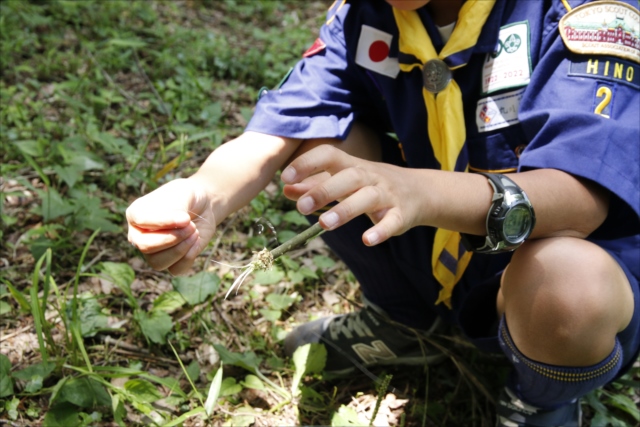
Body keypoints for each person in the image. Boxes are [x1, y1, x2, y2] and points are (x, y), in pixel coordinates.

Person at [126, 0, 640, 425]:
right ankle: (405, 320)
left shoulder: (578, 12)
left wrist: (418, 189)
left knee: (570, 285)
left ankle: (543, 397)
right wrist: (202, 194)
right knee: (316, 152)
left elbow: (580, 198)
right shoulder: (365, 15)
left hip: (554, 268)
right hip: (433, 239)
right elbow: (280, 128)